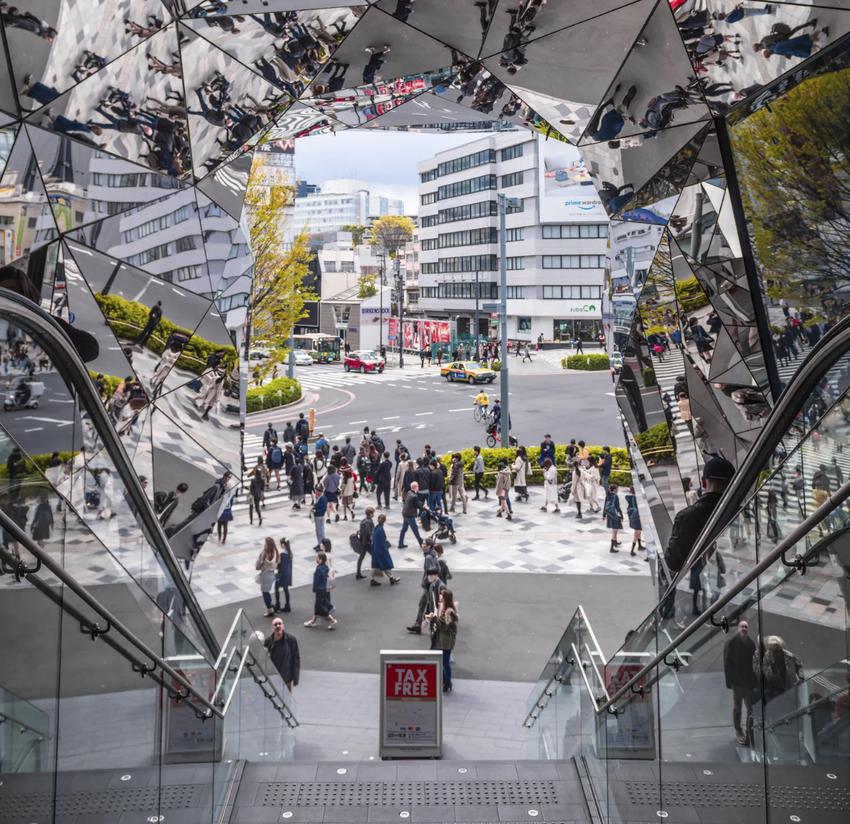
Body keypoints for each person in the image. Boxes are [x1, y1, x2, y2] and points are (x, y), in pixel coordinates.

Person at [660, 457, 735, 618]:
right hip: (714, 576)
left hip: (698, 575)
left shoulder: (687, 517)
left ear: (703, 482)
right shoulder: (736, 511)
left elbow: (671, 565)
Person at [723, 619, 757, 745]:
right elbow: (727, 664)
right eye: (742, 626)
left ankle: (749, 730)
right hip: (738, 683)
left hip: (748, 682)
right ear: (738, 628)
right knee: (738, 708)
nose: (744, 629)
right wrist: (731, 682)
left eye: (746, 627)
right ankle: (738, 729)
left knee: (750, 708)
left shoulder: (751, 644)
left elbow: (754, 663)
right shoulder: (731, 643)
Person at [406, 543, 442, 634]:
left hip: (428, 585)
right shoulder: (433, 556)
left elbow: (431, 570)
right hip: (430, 584)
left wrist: (428, 580)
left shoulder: (428, 558)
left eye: (424, 544)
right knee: (424, 604)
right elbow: (439, 568)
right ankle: (418, 625)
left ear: (429, 546)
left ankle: (433, 625)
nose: (422, 545)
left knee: (429, 605)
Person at [427, 588, 459, 693]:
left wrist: (434, 618)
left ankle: (447, 682)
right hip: (441, 640)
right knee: (441, 662)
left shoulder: (449, 611)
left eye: (441, 595)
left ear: (445, 597)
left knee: (444, 662)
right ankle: (445, 681)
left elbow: (444, 627)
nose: (440, 596)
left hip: (445, 642)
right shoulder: (444, 608)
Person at [264, 617, 300, 692]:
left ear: (283, 626)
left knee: (287, 698)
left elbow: (296, 658)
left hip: (286, 677)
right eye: (275, 624)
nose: (278, 626)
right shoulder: (268, 642)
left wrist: (295, 678)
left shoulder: (291, 640)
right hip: (273, 677)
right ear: (272, 628)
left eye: (280, 624)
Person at [304, 551, 338, 629]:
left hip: (319, 589)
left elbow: (316, 581)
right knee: (318, 605)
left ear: (321, 560)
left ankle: (332, 620)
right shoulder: (325, 567)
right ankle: (313, 621)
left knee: (320, 606)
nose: (316, 559)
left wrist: (314, 589)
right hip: (324, 589)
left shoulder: (318, 569)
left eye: (317, 558)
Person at [371, 512, 400, 585]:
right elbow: (382, 542)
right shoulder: (380, 529)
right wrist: (387, 545)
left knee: (377, 565)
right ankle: (390, 578)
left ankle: (390, 578)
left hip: (376, 550)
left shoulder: (377, 528)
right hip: (381, 551)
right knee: (385, 564)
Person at [256, 537, 279, 617]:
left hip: (265, 574)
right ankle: (271, 605)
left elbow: (259, 565)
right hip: (272, 574)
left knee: (264, 592)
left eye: (265, 543)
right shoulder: (276, 552)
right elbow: (278, 562)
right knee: (267, 591)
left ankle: (269, 609)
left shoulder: (265, 553)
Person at [399, 482, 424, 548]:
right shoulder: (414, 496)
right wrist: (423, 507)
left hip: (405, 513)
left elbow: (414, 502)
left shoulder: (409, 492)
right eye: (417, 486)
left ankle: (400, 543)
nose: (418, 487)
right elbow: (417, 505)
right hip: (410, 515)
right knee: (415, 529)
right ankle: (421, 543)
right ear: (415, 487)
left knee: (404, 529)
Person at [355, 506, 375, 580]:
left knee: (361, 557)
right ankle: (376, 573)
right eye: (373, 513)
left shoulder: (363, 520)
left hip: (363, 542)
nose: (374, 514)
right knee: (375, 556)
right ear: (370, 514)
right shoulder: (369, 521)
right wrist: (371, 538)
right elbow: (368, 532)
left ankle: (358, 573)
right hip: (367, 543)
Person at [274, 538, 293, 612]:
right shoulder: (290, 553)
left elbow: (278, 565)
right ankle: (287, 605)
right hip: (288, 574)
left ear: (283, 544)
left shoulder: (282, 555)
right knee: (286, 589)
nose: (280, 545)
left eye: (281, 544)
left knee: (276, 588)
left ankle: (277, 605)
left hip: (281, 574)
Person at [604, 485, 623, 553]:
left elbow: (605, 505)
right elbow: (618, 507)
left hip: (610, 515)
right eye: (617, 489)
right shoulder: (615, 496)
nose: (618, 490)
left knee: (614, 529)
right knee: (614, 531)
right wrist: (621, 516)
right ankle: (611, 548)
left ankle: (615, 542)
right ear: (614, 490)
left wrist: (604, 515)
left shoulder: (608, 495)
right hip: (615, 515)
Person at [625, 486, 643, 556]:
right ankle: (632, 551)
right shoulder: (637, 498)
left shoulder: (629, 498)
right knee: (637, 533)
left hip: (633, 517)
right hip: (637, 517)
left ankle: (640, 546)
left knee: (638, 532)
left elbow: (627, 496)